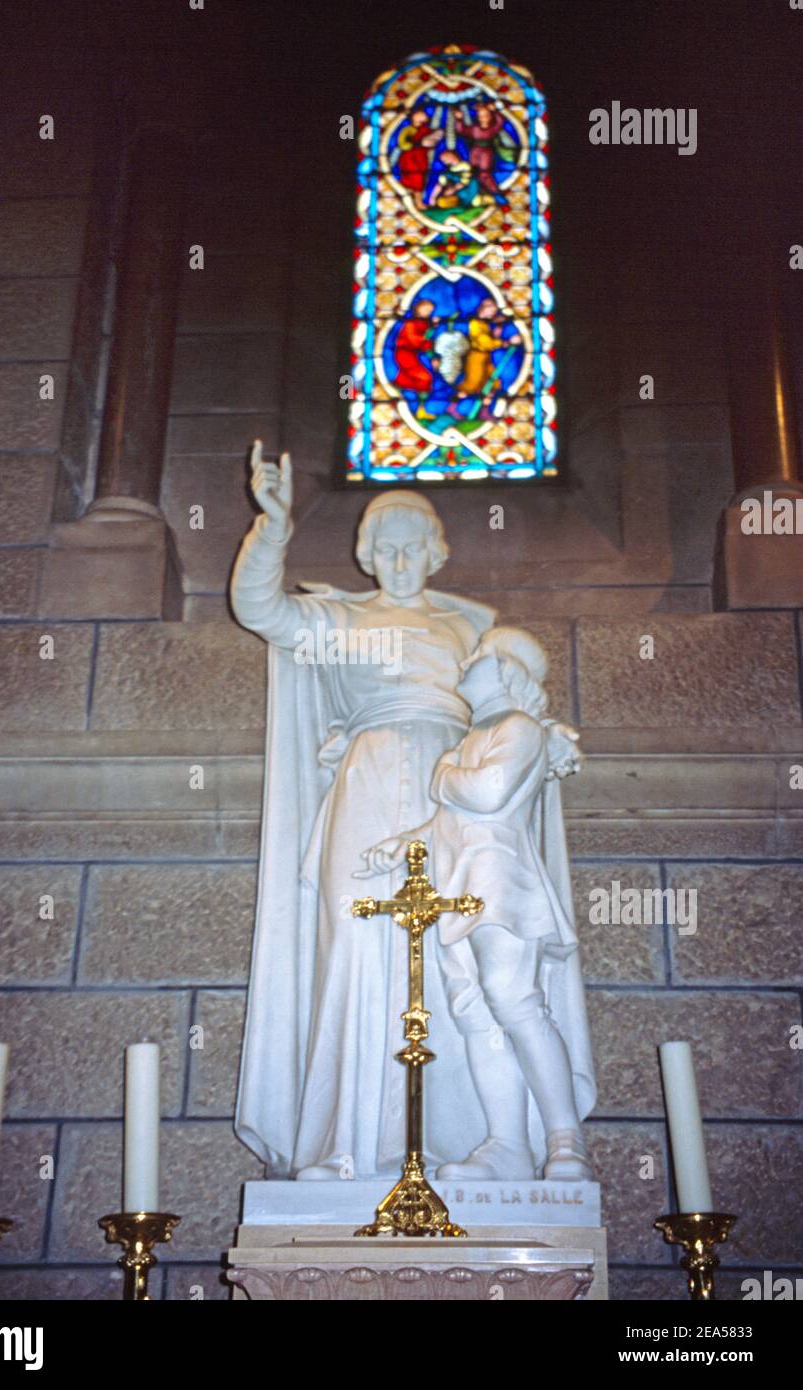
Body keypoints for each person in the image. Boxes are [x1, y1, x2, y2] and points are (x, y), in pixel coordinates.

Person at [230, 444, 529, 1180]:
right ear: (366, 555)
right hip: (365, 781)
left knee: (449, 947)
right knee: (355, 943)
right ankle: (345, 1145)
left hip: (447, 782)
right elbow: (259, 608)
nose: (398, 560)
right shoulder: (337, 618)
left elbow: (515, 702)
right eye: (384, 548)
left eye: (412, 547)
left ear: (436, 553)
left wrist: (543, 740)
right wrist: (271, 527)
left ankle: (458, 1145)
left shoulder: (472, 629)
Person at [358, 626, 596, 1180]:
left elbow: (487, 793)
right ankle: (507, 1142)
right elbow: (451, 820)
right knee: (474, 1014)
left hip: (499, 883)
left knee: (513, 1000)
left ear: (506, 671)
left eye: (479, 656)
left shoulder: (519, 729)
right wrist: (404, 844)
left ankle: (564, 1141)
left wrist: (442, 775)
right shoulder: (470, 739)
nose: (466, 662)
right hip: (454, 889)